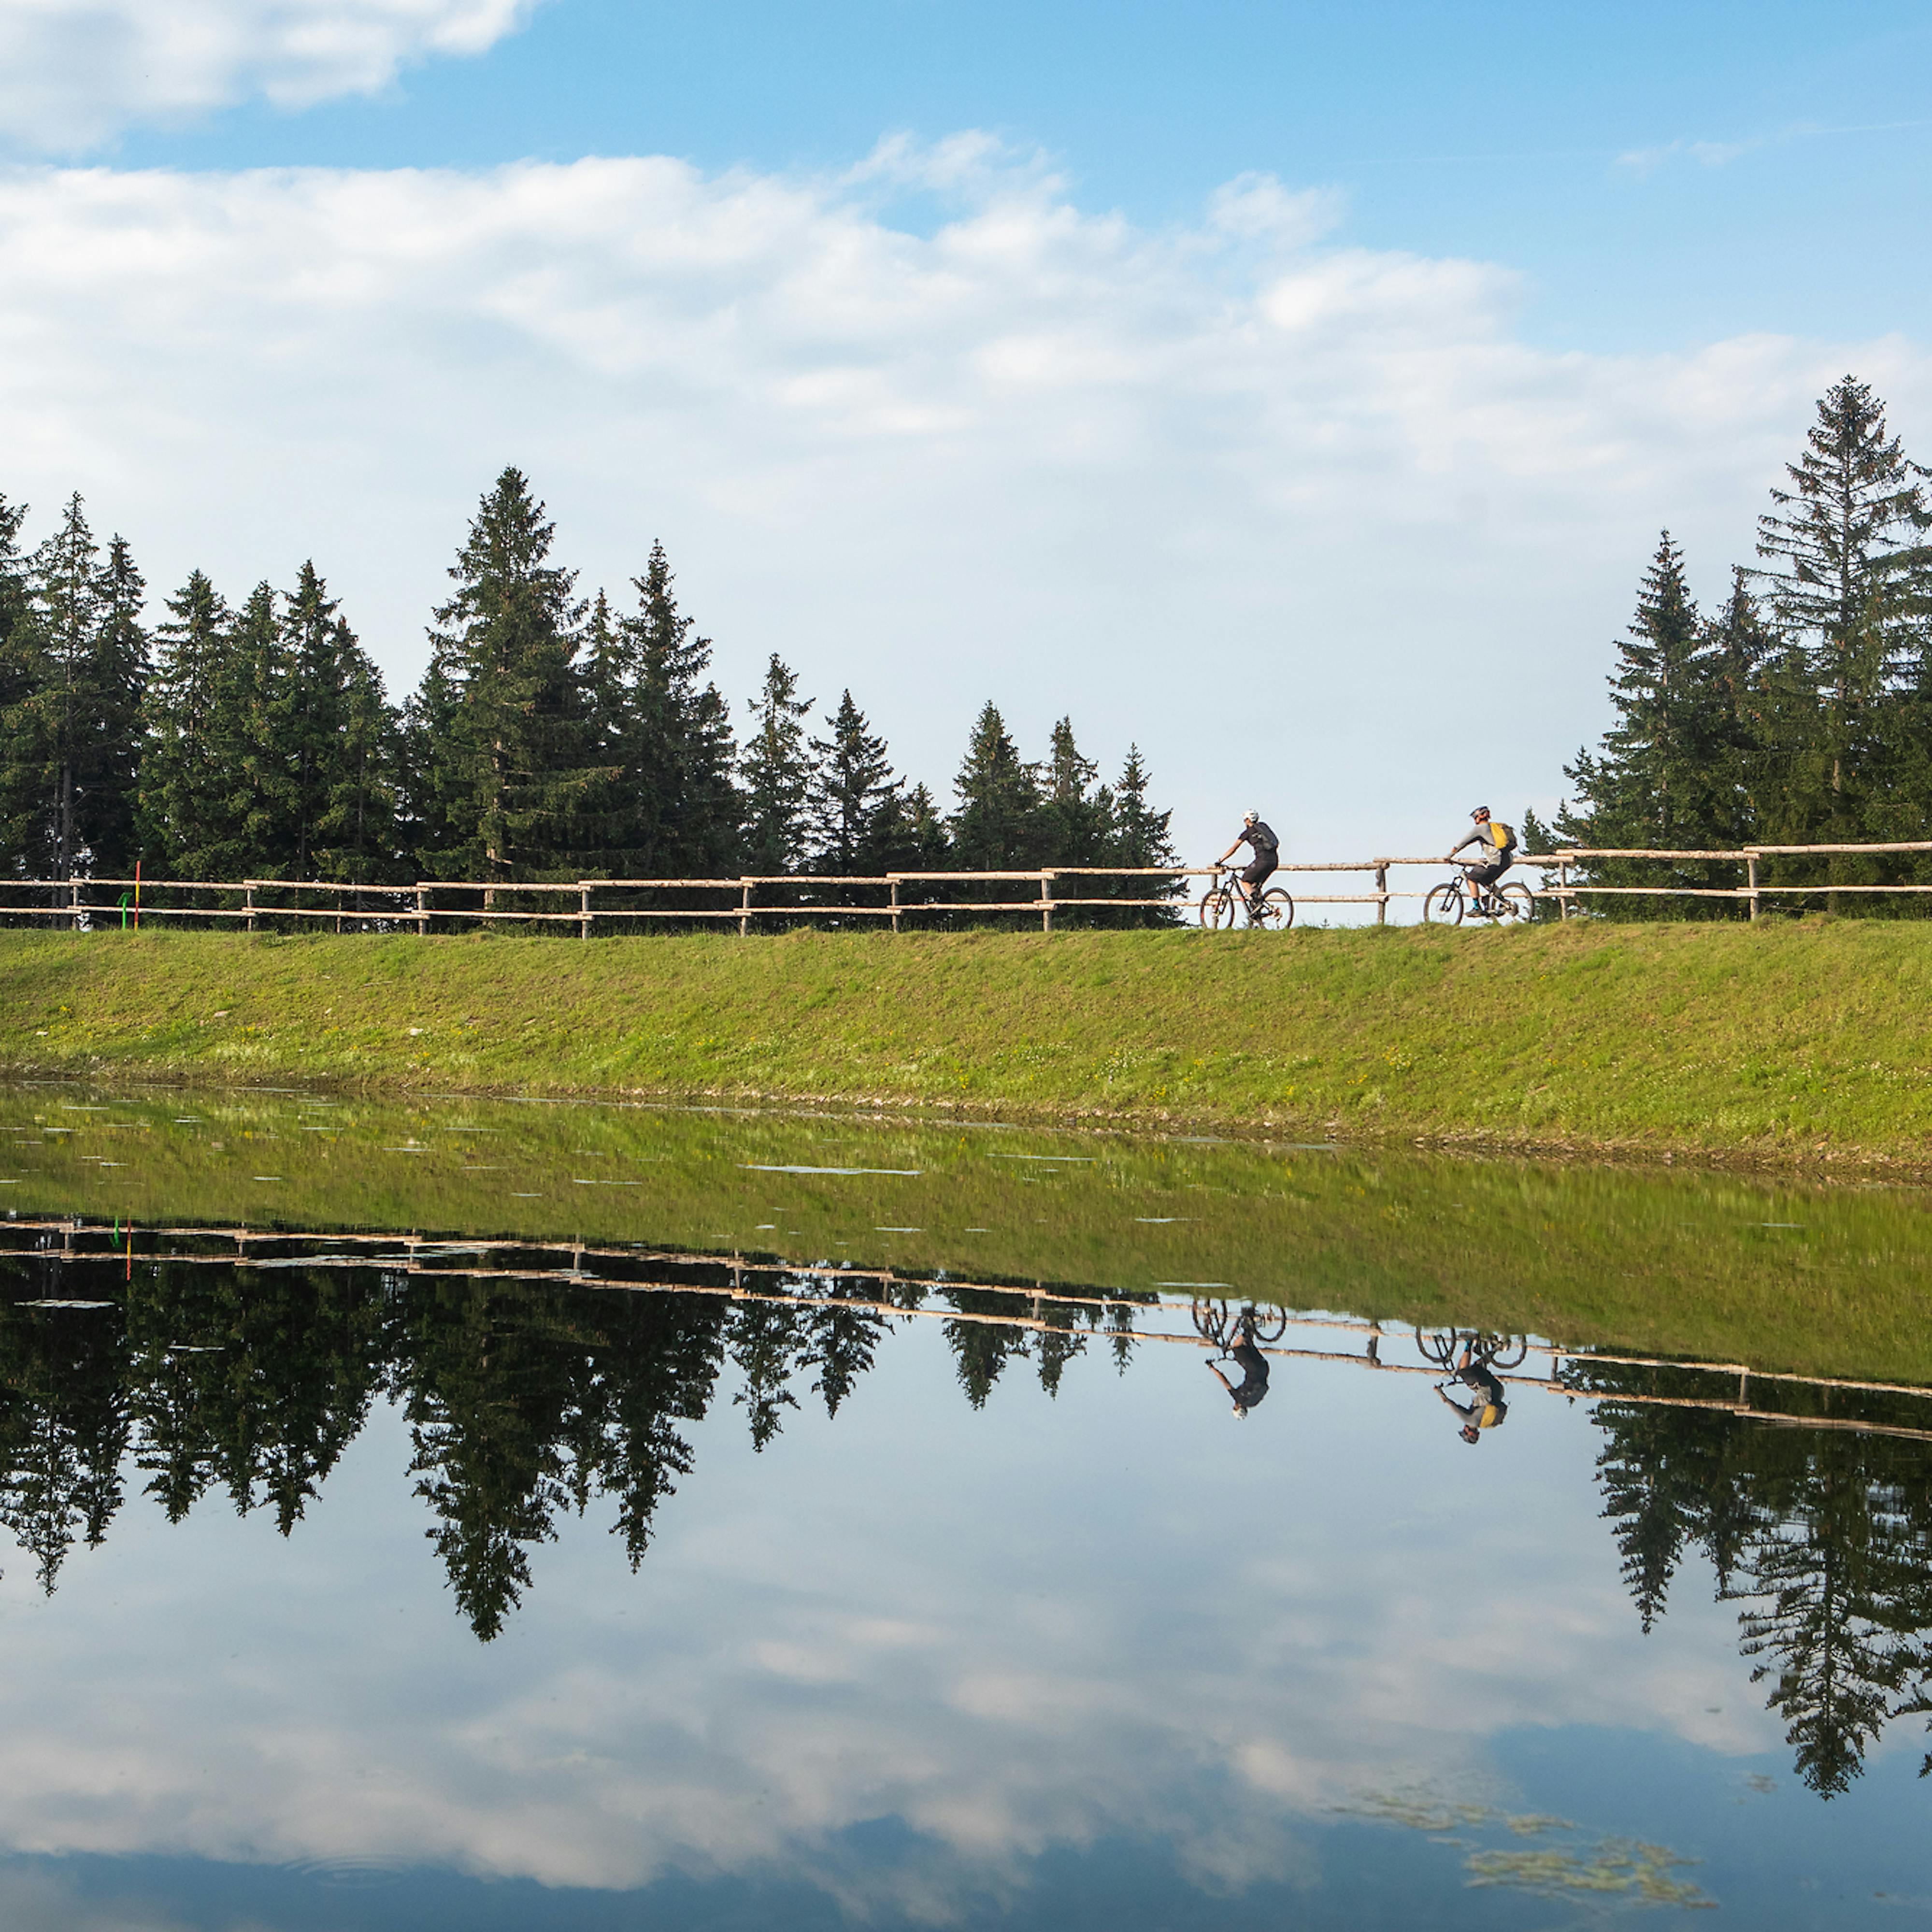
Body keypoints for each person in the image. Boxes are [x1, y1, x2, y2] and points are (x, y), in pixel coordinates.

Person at [1436, 1341, 1508, 1445]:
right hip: (1487, 1391)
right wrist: (1440, 1393)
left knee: (1477, 1367)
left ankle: (1499, 1346)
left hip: (1498, 1390)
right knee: (1463, 1371)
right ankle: (1469, 1342)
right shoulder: (1471, 1421)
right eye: (1465, 1432)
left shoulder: (1484, 1423)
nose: (1464, 1428)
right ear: (1470, 1432)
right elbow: (1453, 1407)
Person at [1446, 805, 1516, 913]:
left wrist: (1449, 856)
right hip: (1508, 859)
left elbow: (1463, 843)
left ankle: (1477, 907)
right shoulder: (1494, 828)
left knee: (1471, 878)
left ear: (1479, 817)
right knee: (1486, 880)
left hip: (1496, 859)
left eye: (1475, 818)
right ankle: (1504, 903)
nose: (1475, 820)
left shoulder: (1479, 829)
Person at [1214, 810, 1280, 916]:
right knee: (1255, 886)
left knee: (1245, 881)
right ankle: (1260, 911)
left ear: (1248, 820)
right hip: (1274, 861)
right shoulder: (1264, 827)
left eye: (1245, 820)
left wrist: (1220, 860)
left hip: (1262, 861)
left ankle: (1258, 904)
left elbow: (1234, 848)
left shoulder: (1248, 832)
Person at [1207, 1310, 1271, 1417]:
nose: (1234, 1405)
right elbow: (1224, 1381)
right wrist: (1211, 1367)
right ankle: (1249, 1327)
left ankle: (1252, 1320)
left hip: (1264, 1368)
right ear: (1238, 1408)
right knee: (1237, 1347)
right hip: (1253, 1369)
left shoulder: (1254, 1403)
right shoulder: (1239, 1398)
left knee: (1249, 1346)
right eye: (1234, 1408)